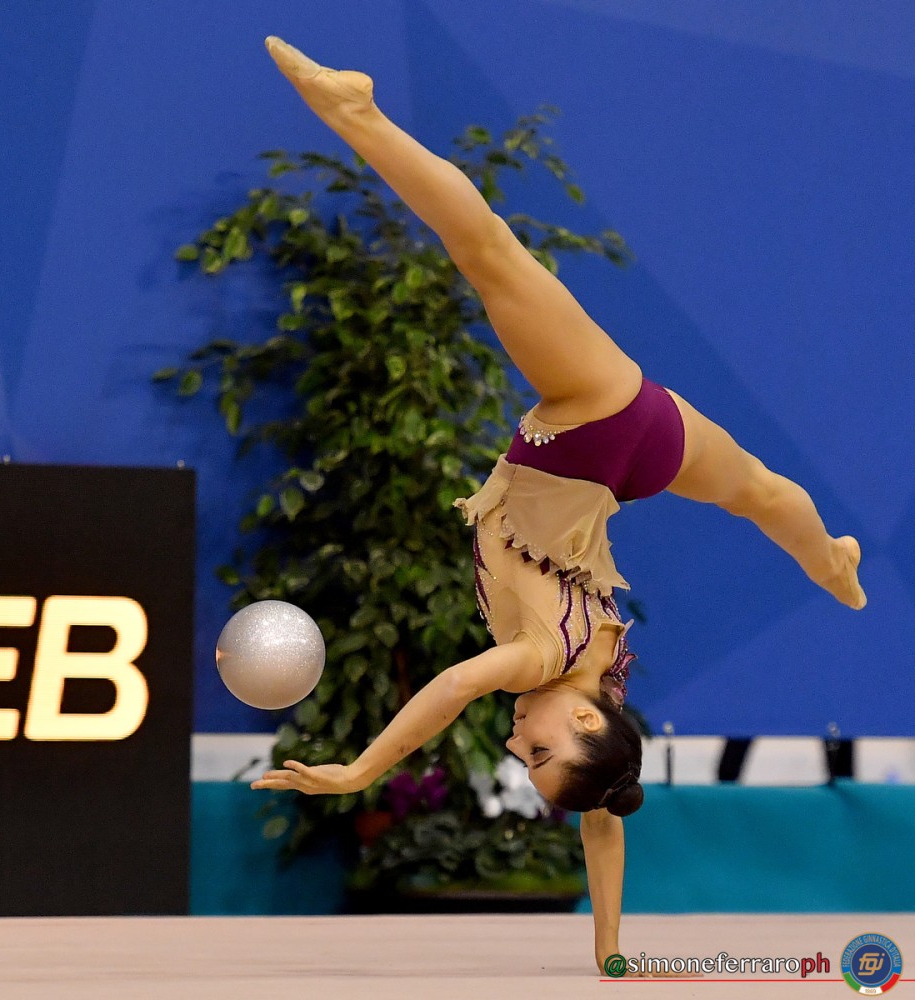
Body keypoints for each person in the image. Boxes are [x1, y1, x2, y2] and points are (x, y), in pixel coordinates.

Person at [251, 36, 866, 973]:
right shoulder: (539, 662)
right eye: (538, 756)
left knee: (762, 493)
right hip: (590, 426)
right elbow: (453, 689)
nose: (518, 748)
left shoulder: (602, 687)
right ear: (579, 725)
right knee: (487, 250)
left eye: (525, 764)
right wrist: (361, 770)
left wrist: (611, 951)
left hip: (641, 454)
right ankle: (356, 111)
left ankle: (829, 560)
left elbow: (606, 812)